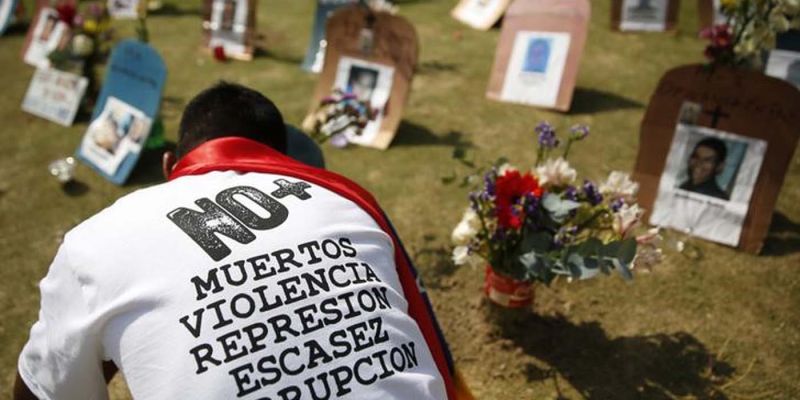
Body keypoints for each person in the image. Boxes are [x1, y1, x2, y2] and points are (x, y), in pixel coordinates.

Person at [14, 82, 457, 400]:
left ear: (170, 164)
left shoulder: (96, 242)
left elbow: (42, 387)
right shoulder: (346, 206)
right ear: (284, 161)